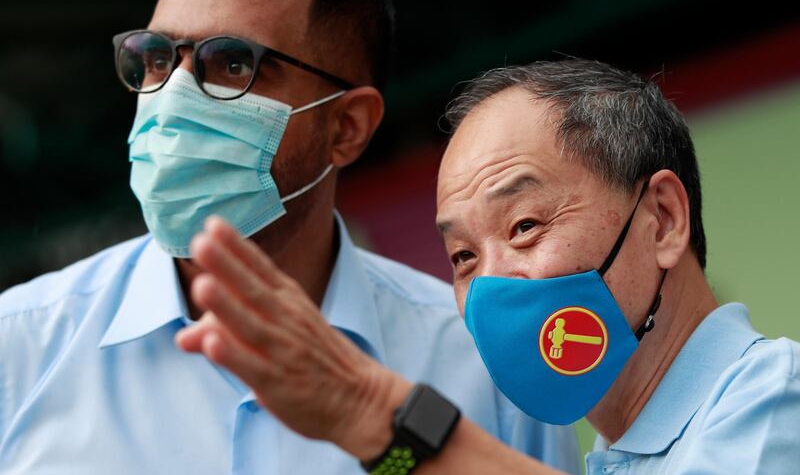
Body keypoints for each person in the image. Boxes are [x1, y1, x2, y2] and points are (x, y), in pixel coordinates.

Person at [0, 0, 580, 474]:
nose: (172, 97)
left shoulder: (482, 368)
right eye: (155, 59)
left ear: (346, 127)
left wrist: (393, 448)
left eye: (231, 64)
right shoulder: (21, 347)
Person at [178, 59, 800, 474]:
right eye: (463, 258)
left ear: (662, 219)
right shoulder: (611, 458)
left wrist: (372, 416)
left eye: (525, 227)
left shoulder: (775, 400)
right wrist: (385, 460)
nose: (493, 284)